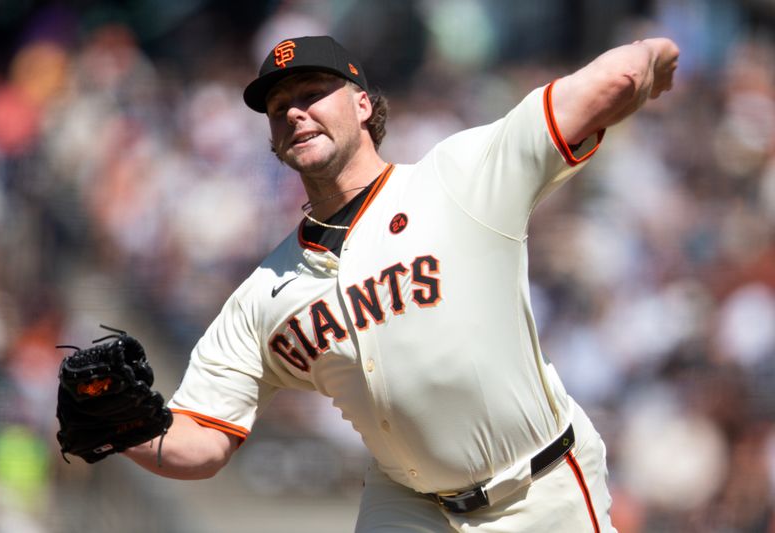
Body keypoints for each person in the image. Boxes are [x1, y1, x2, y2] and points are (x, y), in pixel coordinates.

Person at [123, 34, 679, 532]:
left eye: (312, 92)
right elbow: (203, 438)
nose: (294, 112)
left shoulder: (457, 179)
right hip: (410, 505)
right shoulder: (263, 293)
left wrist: (653, 55)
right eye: (277, 108)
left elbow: (619, 78)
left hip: (540, 491)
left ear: (363, 103)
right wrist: (119, 427)